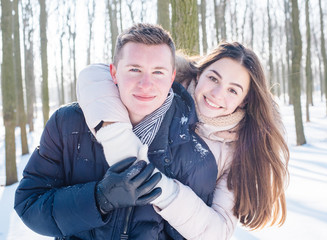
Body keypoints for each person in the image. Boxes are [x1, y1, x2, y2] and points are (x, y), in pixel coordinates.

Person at [14, 23, 218, 240]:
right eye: (134, 70)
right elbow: (29, 203)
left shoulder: (198, 158)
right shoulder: (67, 124)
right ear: (114, 72)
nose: (146, 84)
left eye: (158, 72)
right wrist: (99, 199)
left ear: (171, 77)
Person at [77, 41, 290, 239]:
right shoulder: (163, 93)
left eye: (232, 90)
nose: (217, 93)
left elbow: (217, 231)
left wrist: (165, 192)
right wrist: (116, 138)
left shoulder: (237, 152)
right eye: (213, 78)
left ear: (244, 101)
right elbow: (96, 74)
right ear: (199, 74)